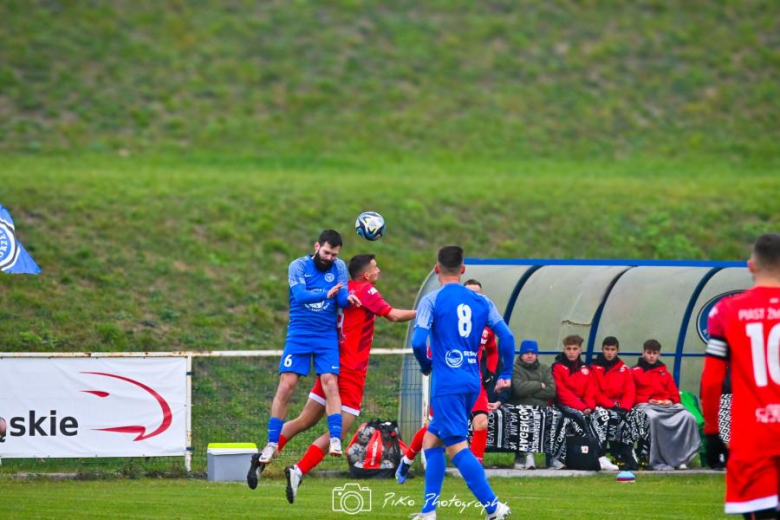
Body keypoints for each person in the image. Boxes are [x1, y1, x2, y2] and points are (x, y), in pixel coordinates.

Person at [281, 254, 416, 502]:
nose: (379, 270)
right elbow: (393, 315)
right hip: (351, 370)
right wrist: (423, 312)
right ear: (365, 274)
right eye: (376, 267)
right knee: (340, 431)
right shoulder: (367, 290)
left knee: (303, 420)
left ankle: (264, 454)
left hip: (331, 364)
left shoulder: (342, 288)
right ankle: (298, 470)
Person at [247, 230, 360, 489]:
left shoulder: (339, 267)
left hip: (325, 336)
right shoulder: (298, 266)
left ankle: (334, 438)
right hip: (299, 333)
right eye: (326, 252)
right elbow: (300, 296)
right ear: (317, 246)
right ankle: (272, 442)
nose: (330, 258)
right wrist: (327, 294)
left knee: (331, 382)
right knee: (286, 385)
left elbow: (340, 297)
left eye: (334, 254)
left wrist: (348, 299)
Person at [409, 246, 515, 520]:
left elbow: (419, 342)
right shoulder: (482, 301)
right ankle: (428, 510)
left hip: (447, 383)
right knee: (431, 443)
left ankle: (494, 508)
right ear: (463, 269)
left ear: (436, 270)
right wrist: (506, 371)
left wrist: (425, 364)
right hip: (472, 380)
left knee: (456, 445)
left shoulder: (431, 300)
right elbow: (507, 337)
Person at [701, 233, 780, 518]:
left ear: (751, 266)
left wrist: (712, 433)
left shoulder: (726, 310)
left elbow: (711, 381)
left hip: (754, 439)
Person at [396, 279, 497, 484]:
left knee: (481, 422)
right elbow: (431, 348)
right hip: (449, 382)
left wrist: (492, 373)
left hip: (473, 382)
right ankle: (407, 459)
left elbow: (493, 349)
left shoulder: (485, 324)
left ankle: (476, 466)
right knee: (434, 429)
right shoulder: (448, 322)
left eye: (477, 293)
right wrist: (431, 364)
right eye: (469, 292)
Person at [552, 334, 618, 471]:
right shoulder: (557, 367)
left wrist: (589, 407)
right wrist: (582, 408)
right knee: (580, 417)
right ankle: (592, 455)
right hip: (563, 404)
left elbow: (590, 390)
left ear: (580, 350)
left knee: (602, 415)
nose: (571, 352)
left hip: (583, 405)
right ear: (564, 350)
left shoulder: (586, 369)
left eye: (574, 349)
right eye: (568, 348)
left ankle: (601, 456)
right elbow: (562, 393)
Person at [631, 339, 699, 470]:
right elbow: (631, 395)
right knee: (653, 418)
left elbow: (674, 394)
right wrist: (648, 399)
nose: (651, 356)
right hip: (645, 406)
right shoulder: (634, 371)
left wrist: (671, 401)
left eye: (655, 353)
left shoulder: (664, 372)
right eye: (649, 352)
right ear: (643, 353)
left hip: (667, 406)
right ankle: (656, 458)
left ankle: (682, 458)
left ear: (659, 354)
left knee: (688, 417)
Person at [591, 336, 639, 471]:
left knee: (635, 416)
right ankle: (602, 456)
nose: (609, 353)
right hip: (601, 406)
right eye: (607, 349)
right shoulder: (593, 368)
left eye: (612, 349)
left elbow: (630, 391)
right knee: (606, 417)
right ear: (602, 349)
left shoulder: (624, 369)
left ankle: (627, 454)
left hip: (620, 406)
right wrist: (611, 406)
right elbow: (595, 391)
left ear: (618, 350)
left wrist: (624, 408)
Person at [509, 339, 556, 469]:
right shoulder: (515, 368)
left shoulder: (545, 369)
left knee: (556, 417)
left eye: (533, 353)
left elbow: (551, 391)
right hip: (521, 405)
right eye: (527, 353)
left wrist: (529, 391)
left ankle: (553, 456)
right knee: (526, 416)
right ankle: (524, 455)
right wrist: (539, 385)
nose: (530, 355)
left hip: (541, 406)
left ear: (537, 355)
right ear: (521, 354)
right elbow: (518, 389)